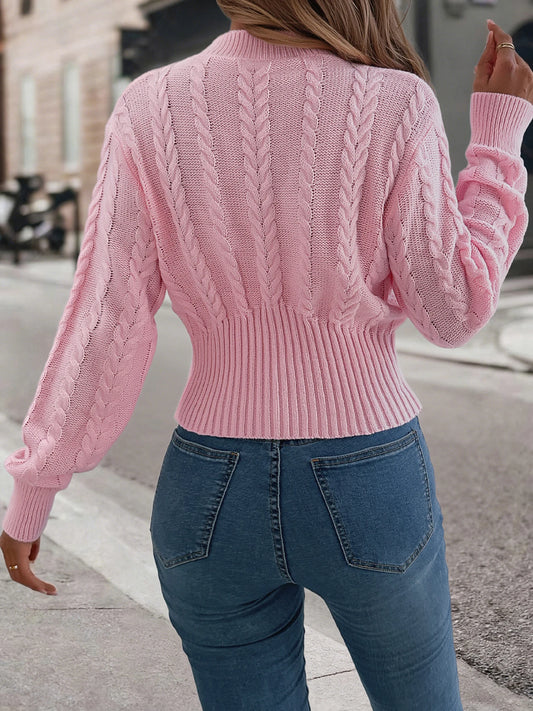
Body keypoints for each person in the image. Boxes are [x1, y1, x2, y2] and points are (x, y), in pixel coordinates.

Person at [1, 0, 532, 708]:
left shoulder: (149, 105)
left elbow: (106, 315)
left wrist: (34, 491)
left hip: (208, 485)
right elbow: (453, 311)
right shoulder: (397, 102)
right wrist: (497, 143)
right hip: (369, 473)